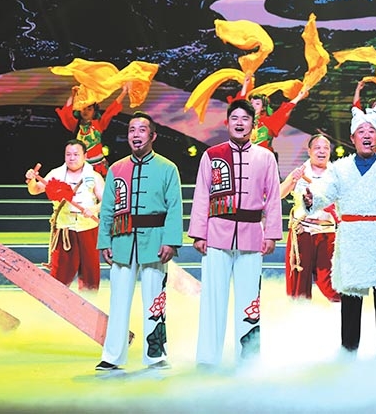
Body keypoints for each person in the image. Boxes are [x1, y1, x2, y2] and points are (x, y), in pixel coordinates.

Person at [302, 107, 376, 356]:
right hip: (352, 242)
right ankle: (348, 356)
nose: (366, 135)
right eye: (361, 131)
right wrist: (312, 198)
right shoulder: (340, 169)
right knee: (350, 306)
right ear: (352, 137)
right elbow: (324, 193)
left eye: (371, 131)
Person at [189, 99, 282, 368]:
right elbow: (202, 195)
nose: (240, 123)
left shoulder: (265, 157)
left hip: (252, 236)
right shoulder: (212, 155)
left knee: (250, 300)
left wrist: (271, 234)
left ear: (254, 124)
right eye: (235, 118)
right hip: (216, 235)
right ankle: (208, 359)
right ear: (227, 123)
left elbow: (273, 198)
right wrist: (199, 233)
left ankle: (248, 359)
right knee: (212, 299)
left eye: (245, 119)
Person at [95, 112, 183, 372]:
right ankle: (112, 355)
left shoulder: (168, 168)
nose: (135, 134)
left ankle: (155, 355)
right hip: (121, 241)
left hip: (155, 241)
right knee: (118, 301)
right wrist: (105, 241)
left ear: (153, 135)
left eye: (142, 130)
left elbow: (175, 207)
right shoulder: (116, 169)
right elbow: (107, 208)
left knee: (155, 300)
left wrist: (171, 241)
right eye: (132, 130)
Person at [25, 139, 104, 291]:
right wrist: (32, 180)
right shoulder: (56, 174)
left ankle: (89, 302)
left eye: (76, 154)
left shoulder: (94, 176)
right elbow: (35, 190)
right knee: (60, 274)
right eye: (68, 154)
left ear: (85, 156)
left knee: (90, 273)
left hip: (88, 228)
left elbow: (106, 201)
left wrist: (94, 209)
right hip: (64, 229)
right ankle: (56, 302)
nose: (72, 158)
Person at [280, 134, 340, 302]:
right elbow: (278, 194)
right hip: (302, 231)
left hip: (327, 232)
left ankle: (342, 313)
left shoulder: (337, 175)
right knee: (298, 281)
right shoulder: (300, 172)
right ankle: (299, 314)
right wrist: (292, 180)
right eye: (317, 148)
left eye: (325, 148)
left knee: (330, 281)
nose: (322, 151)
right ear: (309, 151)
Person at [56, 84, 128, 177]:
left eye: (89, 109)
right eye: (83, 109)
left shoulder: (99, 124)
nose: (86, 111)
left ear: (94, 111)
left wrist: (124, 92)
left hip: (99, 166)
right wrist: (73, 95)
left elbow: (110, 111)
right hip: (81, 166)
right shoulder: (75, 125)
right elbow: (66, 113)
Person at [239, 75, 307, 152]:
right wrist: (245, 85)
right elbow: (238, 104)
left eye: (257, 103)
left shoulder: (267, 122)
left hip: (264, 156)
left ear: (263, 108)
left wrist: (298, 97)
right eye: (251, 103)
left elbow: (283, 111)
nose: (253, 105)